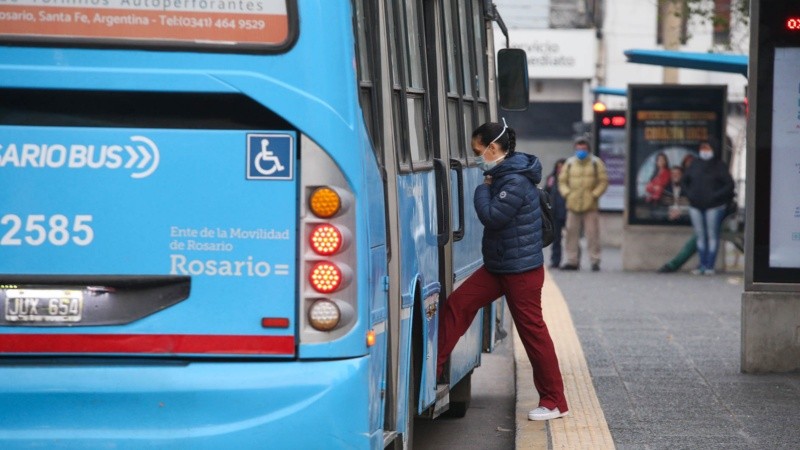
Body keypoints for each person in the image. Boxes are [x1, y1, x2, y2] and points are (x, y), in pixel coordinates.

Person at [436, 120, 569, 421]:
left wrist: (481, 190)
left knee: (533, 333)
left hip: (520, 271)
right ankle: (433, 371)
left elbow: (493, 217)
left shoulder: (514, 181)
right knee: (459, 304)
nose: (478, 155)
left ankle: (554, 402)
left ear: (493, 148)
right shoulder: (504, 174)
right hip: (500, 266)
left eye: (478, 149)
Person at [681, 141, 735, 275]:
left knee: (712, 235)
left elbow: (729, 184)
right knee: (700, 235)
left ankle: (710, 265)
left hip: (714, 206)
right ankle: (702, 264)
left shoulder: (719, 166)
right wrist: (690, 194)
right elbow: (684, 181)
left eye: (707, 148)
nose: (704, 151)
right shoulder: (695, 164)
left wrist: (715, 196)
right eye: (702, 148)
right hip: (695, 205)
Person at [557, 137, 609, 271]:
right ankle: (572, 261)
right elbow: (562, 181)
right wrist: (567, 194)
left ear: (588, 149)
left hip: (590, 206)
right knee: (571, 234)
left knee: (592, 235)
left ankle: (595, 260)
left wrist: (594, 195)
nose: (581, 151)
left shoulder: (596, 163)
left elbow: (603, 182)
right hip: (573, 204)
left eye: (583, 149)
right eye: (578, 149)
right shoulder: (569, 164)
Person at [544, 158, 567, 269]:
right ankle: (555, 261)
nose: (560, 169)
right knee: (556, 238)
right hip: (555, 212)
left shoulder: (570, 179)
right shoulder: (551, 179)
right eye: (558, 167)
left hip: (568, 211)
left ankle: (573, 260)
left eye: (563, 167)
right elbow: (545, 193)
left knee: (572, 238)